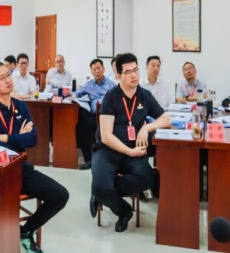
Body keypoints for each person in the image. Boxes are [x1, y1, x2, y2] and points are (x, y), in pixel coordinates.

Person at [0, 62, 69, 253]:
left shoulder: (21, 106)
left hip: (20, 168)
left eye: (8, 75)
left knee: (61, 195)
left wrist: (7, 138)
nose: (8, 80)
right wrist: (18, 138)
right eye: (1, 78)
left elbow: (33, 139)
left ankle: (25, 231)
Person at [90, 53, 170, 232]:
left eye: (135, 70)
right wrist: (130, 151)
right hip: (108, 149)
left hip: (133, 149)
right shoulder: (111, 97)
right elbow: (106, 136)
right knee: (101, 186)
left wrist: (146, 128)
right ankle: (124, 211)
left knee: (147, 178)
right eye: (127, 72)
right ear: (118, 76)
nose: (134, 75)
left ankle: (101, 193)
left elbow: (166, 119)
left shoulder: (144, 95)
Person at [72, 59, 116, 170]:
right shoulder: (89, 85)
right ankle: (89, 160)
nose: (97, 71)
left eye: (99, 68)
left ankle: (108, 162)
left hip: (108, 117)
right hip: (93, 117)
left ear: (103, 69)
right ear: (91, 72)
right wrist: (71, 97)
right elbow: (76, 93)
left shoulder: (111, 85)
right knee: (81, 129)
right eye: (94, 69)